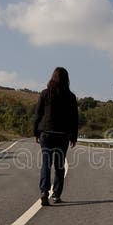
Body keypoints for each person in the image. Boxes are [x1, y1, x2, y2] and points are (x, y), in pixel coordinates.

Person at [33, 67, 78, 206]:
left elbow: (38, 114)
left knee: (46, 163)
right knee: (59, 166)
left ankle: (44, 192)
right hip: (62, 135)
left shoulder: (45, 93)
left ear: (53, 77)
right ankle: (56, 195)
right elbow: (74, 118)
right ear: (67, 79)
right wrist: (74, 137)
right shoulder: (70, 97)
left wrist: (35, 132)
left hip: (46, 134)